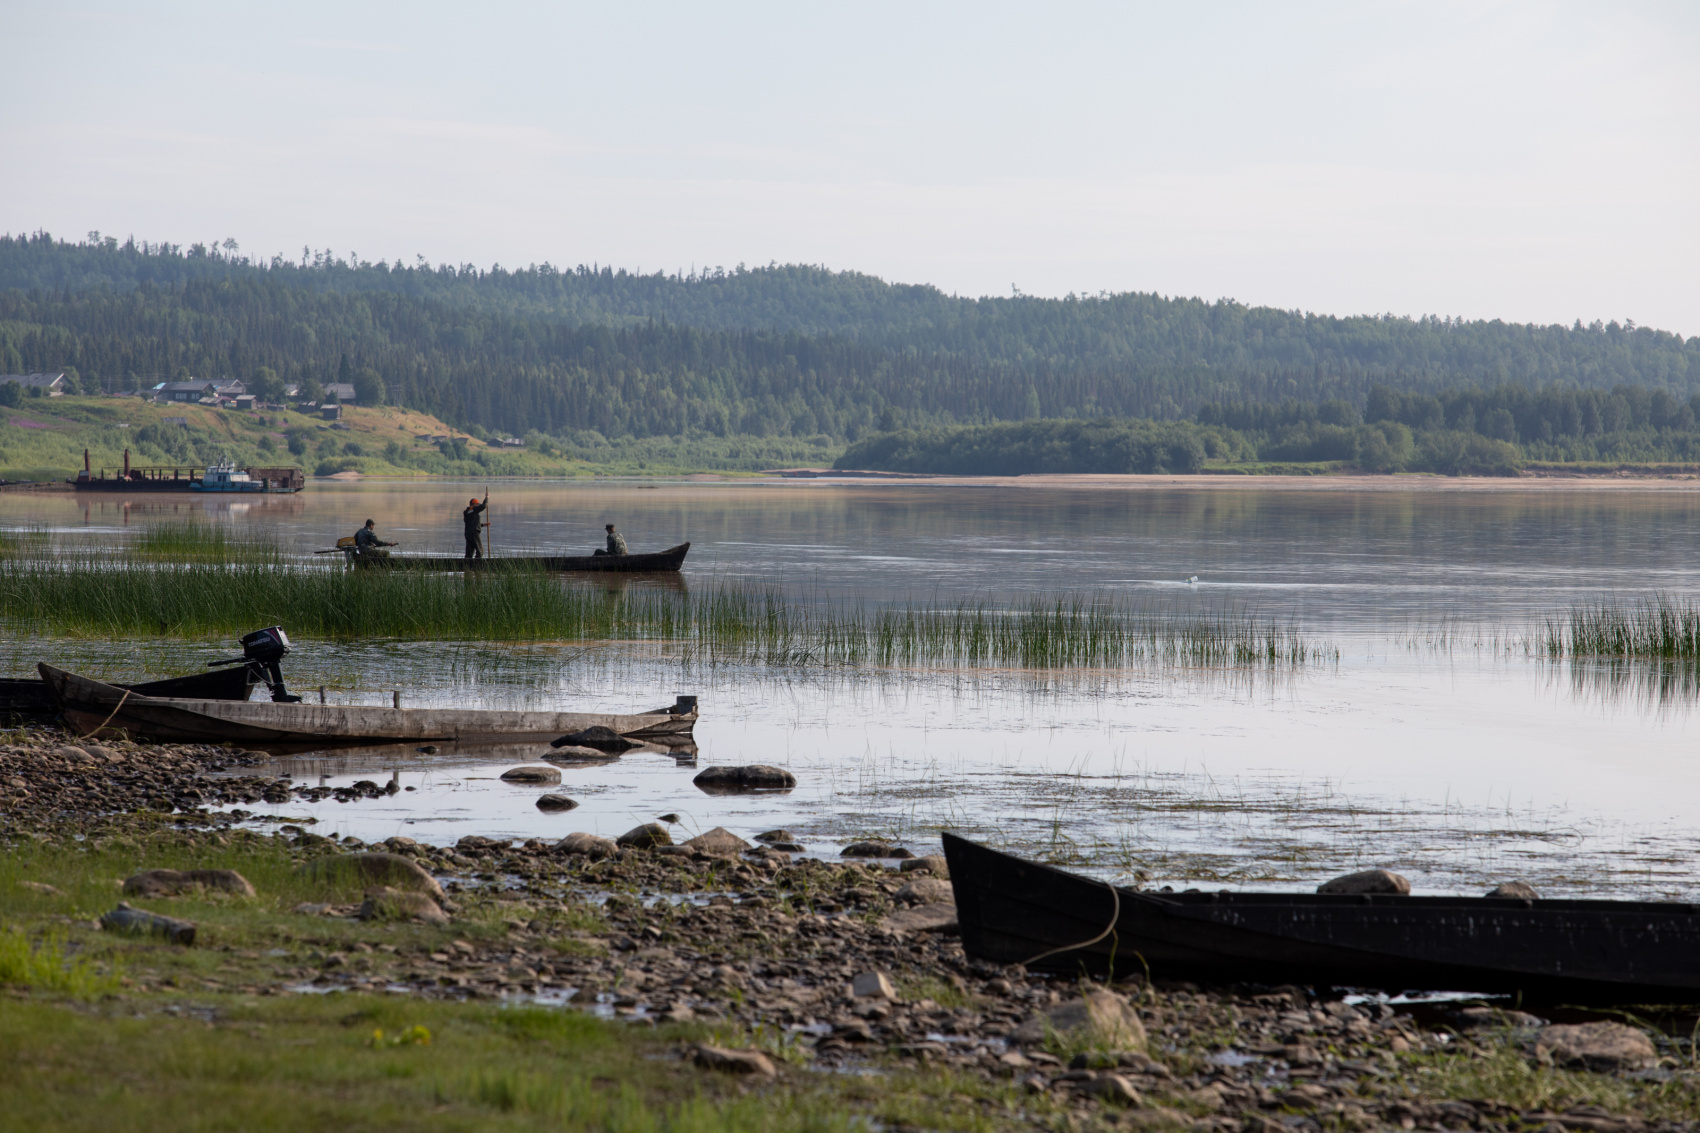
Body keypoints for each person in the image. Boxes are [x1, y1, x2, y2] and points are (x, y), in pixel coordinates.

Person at [463, 495, 488, 560]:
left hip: (468, 533)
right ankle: (478, 565)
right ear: (474, 504)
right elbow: (483, 506)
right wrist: (487, 498)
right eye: (477, 504)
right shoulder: (473, 509)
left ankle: (467, 566)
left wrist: (483, 525)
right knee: (480, 551)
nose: (478, 506)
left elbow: (471, 523)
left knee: (469, 552)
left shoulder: (467, 511)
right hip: (474, 533)